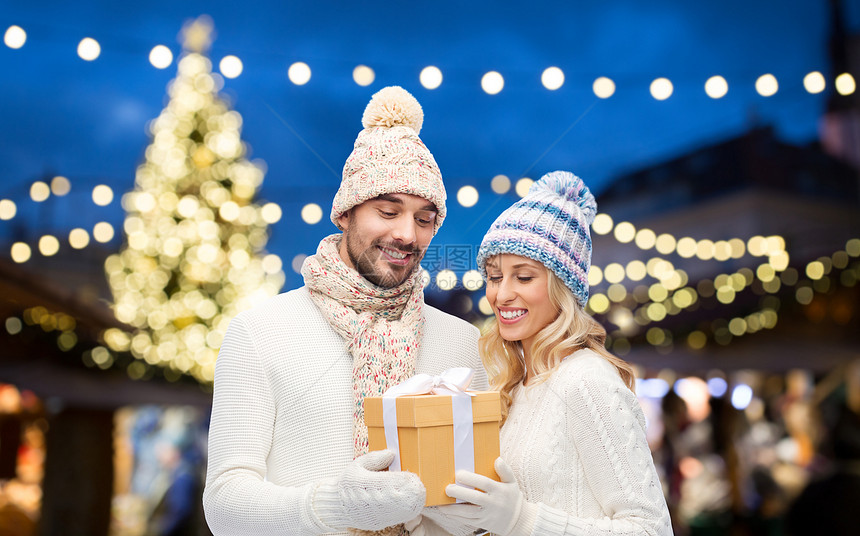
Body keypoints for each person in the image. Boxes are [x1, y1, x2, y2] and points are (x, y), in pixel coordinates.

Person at [203, 86, 487, 536]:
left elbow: (475, 502)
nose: (407, 234)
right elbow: (224, 505)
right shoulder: (259, 332)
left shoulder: (464, 345)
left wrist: (482, 515)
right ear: (346, 214)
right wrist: (336, 507)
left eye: (424, 218)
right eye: (387, 210)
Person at [409, 171, 673, 536]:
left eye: (524, 276)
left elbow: (651, 530)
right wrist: (421, 512)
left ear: (563, 285)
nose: (501, 295)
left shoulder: (587, 380)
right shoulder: (515, 387)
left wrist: (523, 520)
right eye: (495, 276)